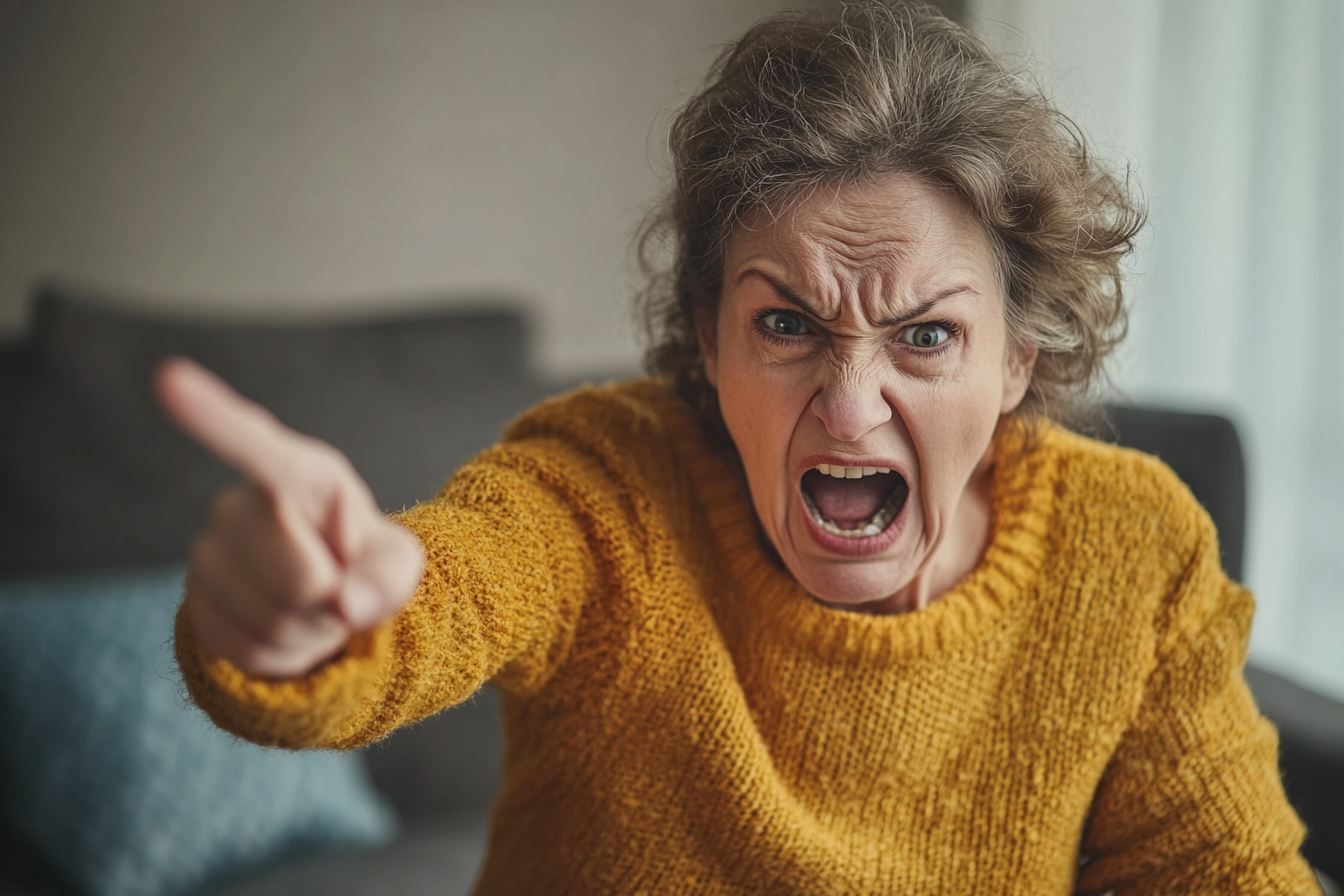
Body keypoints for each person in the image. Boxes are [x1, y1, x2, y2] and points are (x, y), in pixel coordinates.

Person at [158, 2, 1320, 894]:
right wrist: (309, 623)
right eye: (786, 323)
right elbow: (449, 586)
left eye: (926, 334)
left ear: (1017, 360)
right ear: (707, 339)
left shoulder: (1135, 549)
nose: (852, 407)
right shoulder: (609, 488)